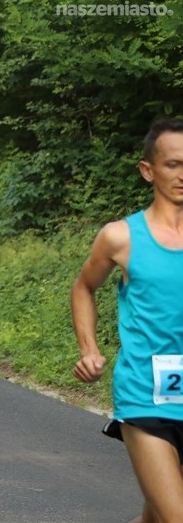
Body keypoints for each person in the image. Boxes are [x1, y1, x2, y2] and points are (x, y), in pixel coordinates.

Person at [71, 117, 183, 523]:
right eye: (173, 164)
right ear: (148, 170)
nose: (182, 174)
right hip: (145, 396)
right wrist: (89, 348)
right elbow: (84, 288)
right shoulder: (121, 237)